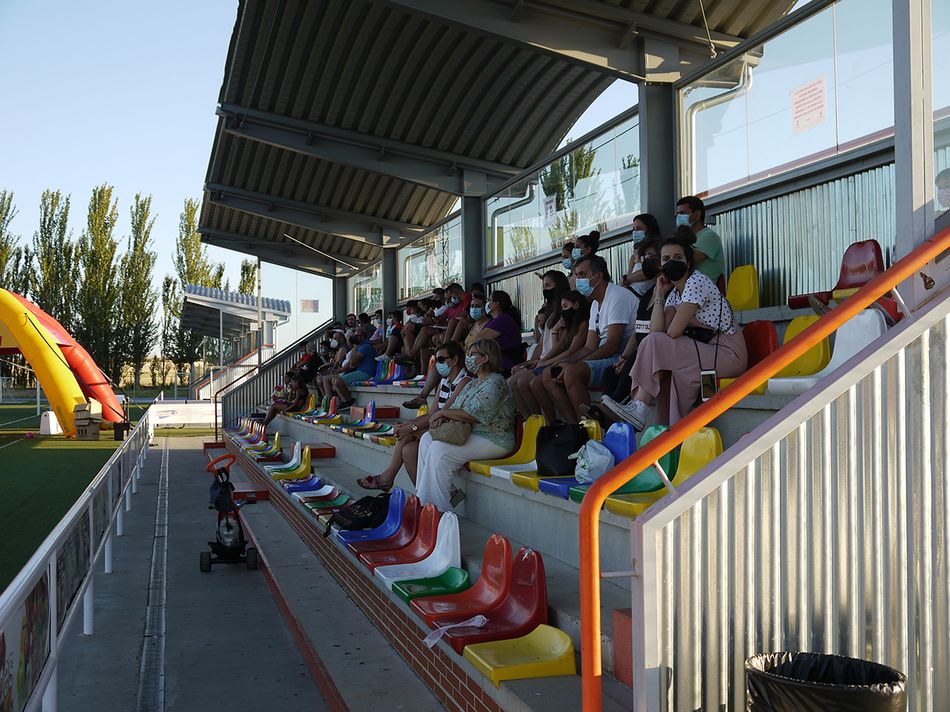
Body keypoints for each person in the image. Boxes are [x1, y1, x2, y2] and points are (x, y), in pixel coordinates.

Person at [602, 231, 747, 429]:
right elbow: (656, 329)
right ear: (661, 265)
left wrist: (663, 325)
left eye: (678, 258)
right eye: (666, 259)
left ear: (688, 263)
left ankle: (639, 407)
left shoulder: (697, 282)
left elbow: (672, 332)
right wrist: (659, 293)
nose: (672, 262)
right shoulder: (675, 292)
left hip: (726, 353)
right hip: (703, 350)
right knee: (668, 370)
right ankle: (667, 432)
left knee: (656, 344)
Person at [415, 339, 515, 511]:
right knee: (426, 439)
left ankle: (438, 511)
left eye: (472, 354)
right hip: (473, 435)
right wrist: (442, 417)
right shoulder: (474, 383)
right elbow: (455, 407)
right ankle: (426, 500)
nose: (467, 358)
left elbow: (473, 415)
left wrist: (443, 413)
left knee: (440, 450)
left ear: (485, 358)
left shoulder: (496, 382)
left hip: (495, 439)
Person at [357, 341, 471, 492]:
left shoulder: (464, 381)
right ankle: (427, 496)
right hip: (442, 428)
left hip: (457, 431)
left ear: (455, 359)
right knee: (408, 450)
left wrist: (410, 427)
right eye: (437, 360)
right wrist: (407, 425)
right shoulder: (445, 381)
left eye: (442, 360)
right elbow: (432, 414)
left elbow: (442, 414)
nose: (438, 364)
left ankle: (388, 477)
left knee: (407, 434)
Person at [538, 254, 637, 423]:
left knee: (572, 372)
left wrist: (572, 365)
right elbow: (589, 347)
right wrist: (564, 361)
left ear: (598, 276)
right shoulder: (595, 304)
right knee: (549, 374)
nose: (577, 280)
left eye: (582, 275)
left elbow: (612, 346)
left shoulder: (616, 296)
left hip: (622, 357)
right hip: (608, 355)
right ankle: (574, 427)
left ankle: (589, 430)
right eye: (576, 275)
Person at [508, 271, 570, 417]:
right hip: (542, 360)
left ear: (559, 286)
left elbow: (561, 344)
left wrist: (541, 362)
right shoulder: (549, 310)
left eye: (548, 285)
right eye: (543, 286)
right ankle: (530, 420)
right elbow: (542, 343)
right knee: (511, 382)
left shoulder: (564, 311)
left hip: (551, 360)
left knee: (523, 383)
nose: (545, 289)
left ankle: (547, 421)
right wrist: (528, 363)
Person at [675, 196, 724, 284]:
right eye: (677, 214)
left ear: (697, 215)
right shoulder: (686, 239)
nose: (678, 217)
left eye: (682, 213)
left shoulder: (708, 236)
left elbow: (685, 263)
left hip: (703, 292)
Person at [329, 327, 377, 408]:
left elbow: (352, 362)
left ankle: (348, 401)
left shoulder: (365, 346)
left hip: (367, 373)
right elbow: (351, 364)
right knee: (334, 379)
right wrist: (340, 370)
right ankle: (343, 400)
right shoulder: (360, 346)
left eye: (357, 336)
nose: (355, 337)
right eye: (355, 335)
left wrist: (354, 347)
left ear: (363, 337)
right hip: (360, 372)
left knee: (337, 381)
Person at [480, 291, 523, 374]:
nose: (487, 303)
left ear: (496, 304)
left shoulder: (503, 320)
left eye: (489, 300)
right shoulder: (496, 319)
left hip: (504, 364)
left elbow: (479, 339)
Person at [622, 214, 662, 288]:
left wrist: (627, 278)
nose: (635, 232)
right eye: (634, 229)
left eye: (639, 228)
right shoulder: (634, 255)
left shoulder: (655, 249)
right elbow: (628, 279)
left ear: (650, 229)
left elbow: (648, 272)